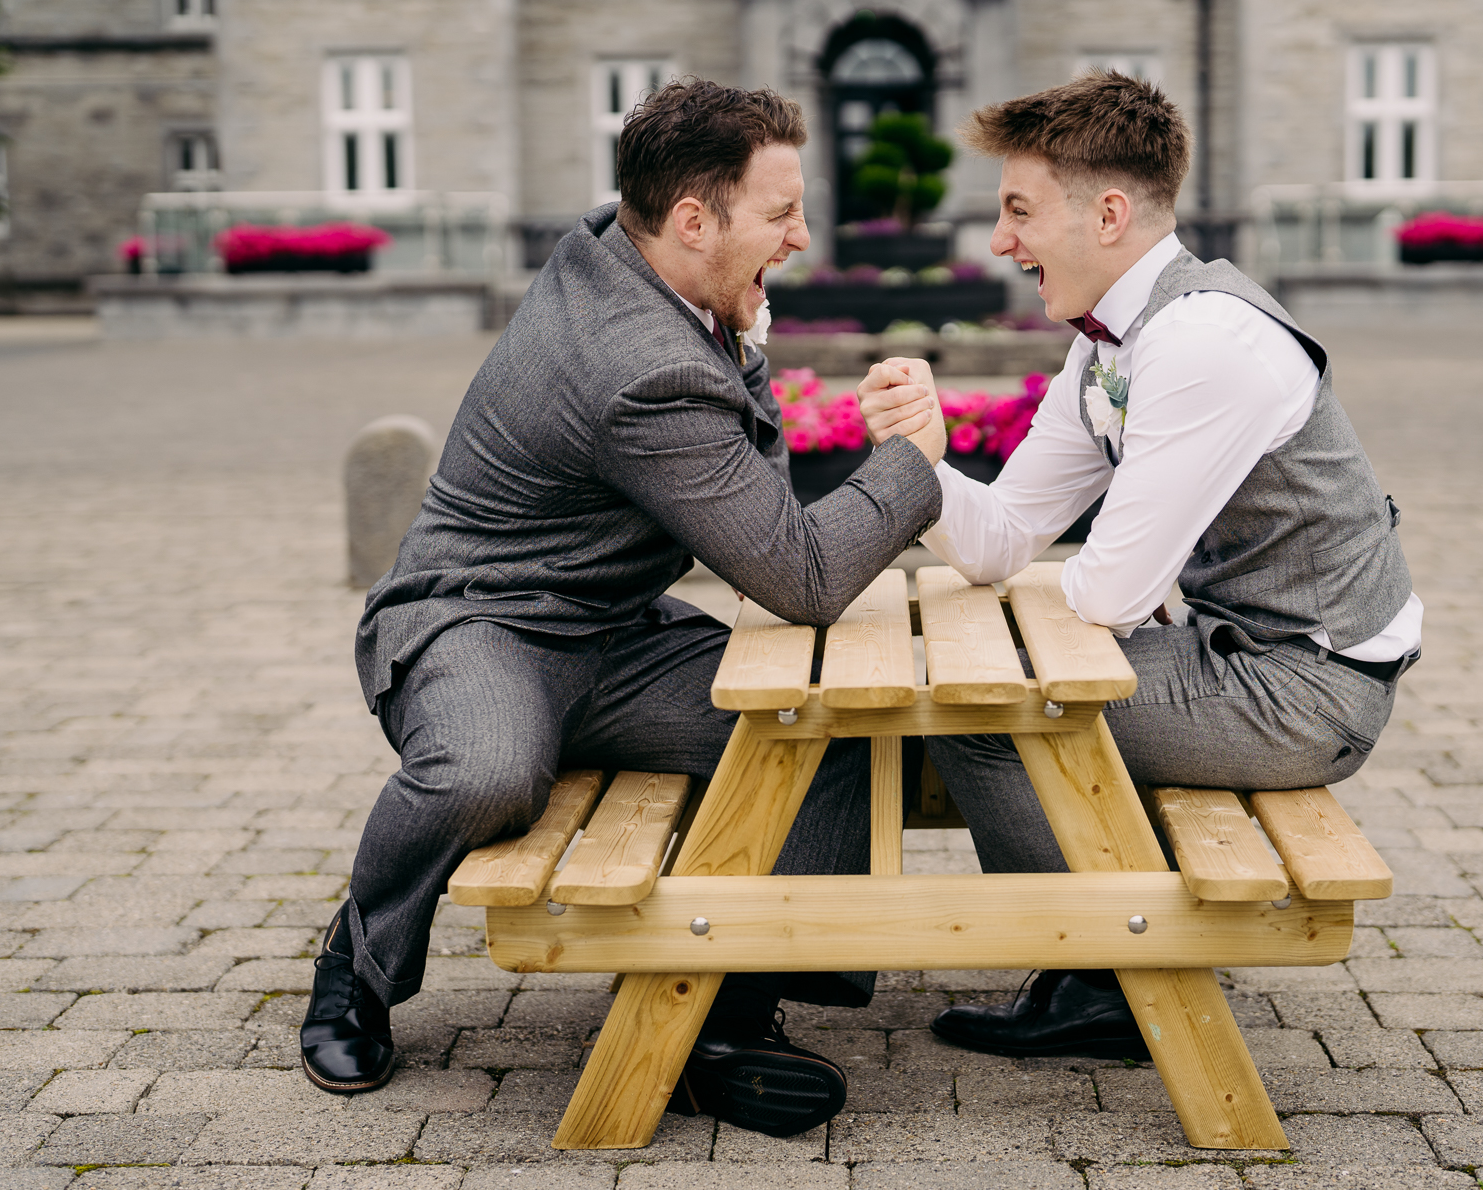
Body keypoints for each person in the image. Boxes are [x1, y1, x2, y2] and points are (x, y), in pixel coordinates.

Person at [311, 79, 946, 1137]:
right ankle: (358, 964)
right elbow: (799, 575)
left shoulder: (636, 256)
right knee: (488, 768)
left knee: (825, 723)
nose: (801, 234)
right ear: (694, 220)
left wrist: (744, 335)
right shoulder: (637, 360)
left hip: (610, 632)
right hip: (478, 622)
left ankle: (729, 1012)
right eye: (781, 211)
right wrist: (914, 461)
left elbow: (759, 500)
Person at [858, 71, 1419, 1062]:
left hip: (1308, 689)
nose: (999, 240)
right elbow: (1003, 537)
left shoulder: (1201, 340)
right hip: (1243, 650)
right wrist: (924, 459)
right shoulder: (1117, 337)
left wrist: (997, 631)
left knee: (987, 715)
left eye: (1019, 210)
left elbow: (1109, 594)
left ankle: (1115, 972)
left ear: (1108, 213)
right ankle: (1113, 934)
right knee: (978, 681)